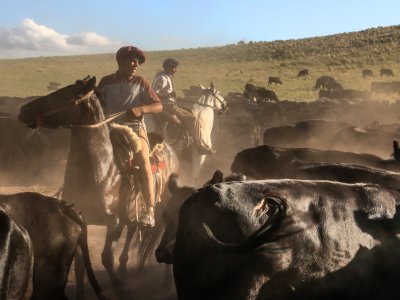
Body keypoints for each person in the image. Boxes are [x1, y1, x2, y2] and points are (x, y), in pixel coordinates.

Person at [98, 45, 162, 227]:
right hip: (108, 129)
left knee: (143, 162)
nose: (135, 65)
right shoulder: (106, 82)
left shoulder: (141, 82)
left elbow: (158, 105)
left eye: (137, 62)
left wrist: (141, 108)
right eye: (132, 60)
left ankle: (149, 211)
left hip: (134, 129)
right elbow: (98, 104)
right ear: (121, 62)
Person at [152, 58, 215, 155]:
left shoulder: (166, 76)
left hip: (169, 104)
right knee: (193, 119)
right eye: (174, 68)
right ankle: (200, 147)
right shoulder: (162, 78)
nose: (176, 70)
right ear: (169, 67)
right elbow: (154, 94)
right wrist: (168, 96)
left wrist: (173, 97)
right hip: (167, 106)